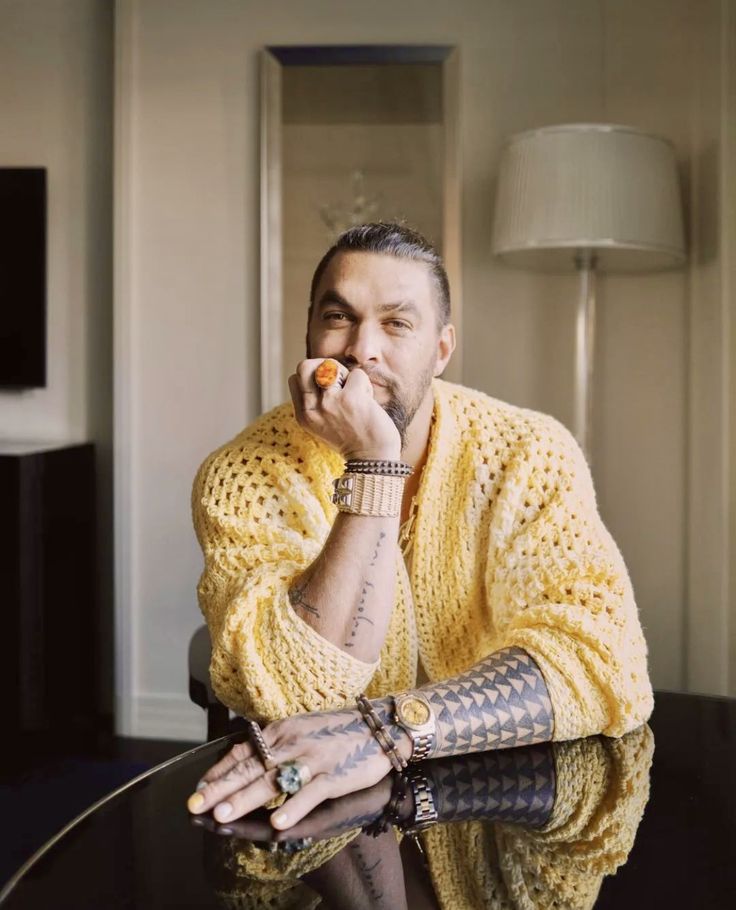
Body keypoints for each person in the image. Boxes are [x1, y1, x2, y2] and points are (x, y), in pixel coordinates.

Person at [187, 222, 653, 840]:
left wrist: (391, 729)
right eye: (338, 317)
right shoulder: (241, 473)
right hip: (321, 821)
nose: (360, 349)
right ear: (308, 333)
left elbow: (601, 660)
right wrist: (373, 465)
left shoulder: (528, 453)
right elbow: (289, 691)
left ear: (441, 349)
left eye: (396, 323)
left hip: (500, 803)